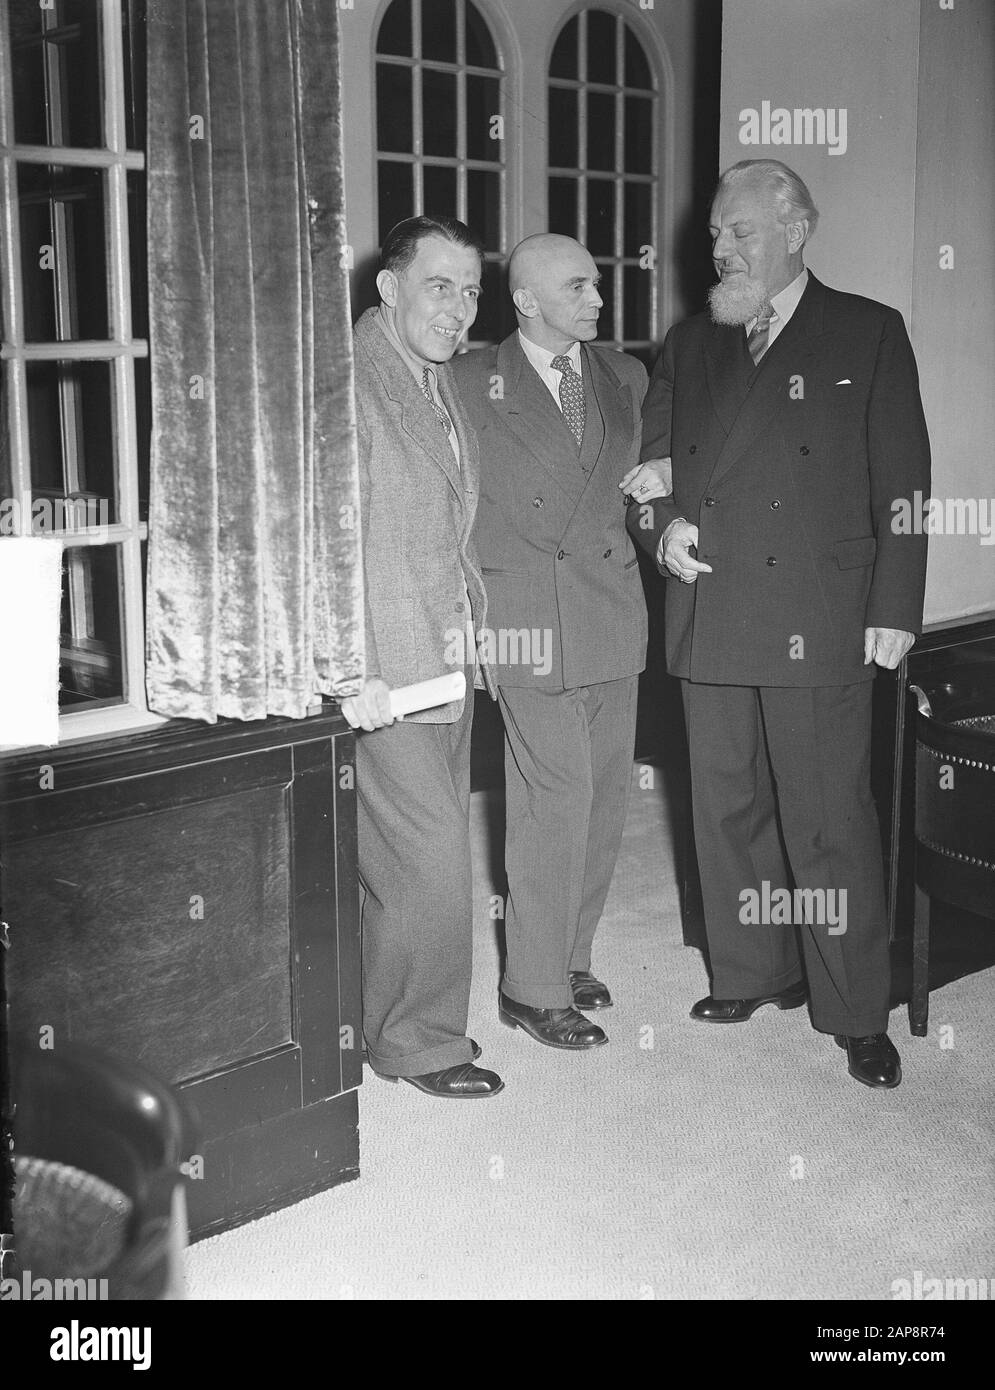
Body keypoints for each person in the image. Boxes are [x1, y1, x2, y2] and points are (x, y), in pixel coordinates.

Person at [629, 159, 931, 1089]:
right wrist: (660, 531)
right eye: (715, 233)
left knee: (828, 818)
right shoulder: (691, 341)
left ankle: (851, 1009)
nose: (719, 248)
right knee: (725, 807)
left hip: (822, 612)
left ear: (796, 229)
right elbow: (647, 473)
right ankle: (752, 970)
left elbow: (905, 485)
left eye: (740, 232)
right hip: (711, 601)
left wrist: (894, 608)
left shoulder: (868, 330)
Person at [452, 233, 660, 1050]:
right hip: (524, 614)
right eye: (578, 288)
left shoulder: (623, 376)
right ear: (527, 300)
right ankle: (531, 988)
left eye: (598, 285)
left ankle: (571, 955)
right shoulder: (470, 381)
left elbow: (636, 481)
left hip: (610, 608)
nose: (598, 301)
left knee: (605, 799)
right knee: (552, 798)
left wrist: (666, 481)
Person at [343, 215, 503, 1099]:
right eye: (440, 286)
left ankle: (391, 1020)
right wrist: (346, 667)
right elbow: (315, 543)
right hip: (384, 670)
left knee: (410, 864)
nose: (459, 308)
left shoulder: (435, 379)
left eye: (471, 289)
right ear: (390, 287)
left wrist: (473, 618)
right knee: (432, 858)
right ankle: (419, 1043)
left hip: (443, 655)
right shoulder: (344, 384)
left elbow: (449, 521)